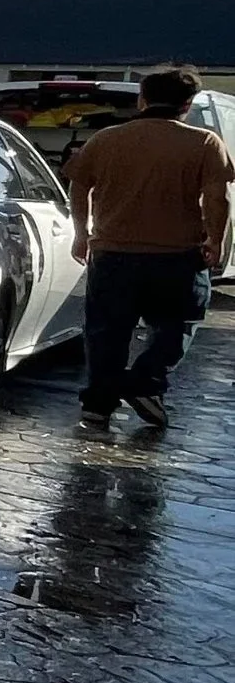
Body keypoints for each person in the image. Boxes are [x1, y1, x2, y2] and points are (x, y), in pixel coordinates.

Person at [67, 63, 231, 428]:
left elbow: (79, 186)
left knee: (106, 331)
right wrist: (215, 240)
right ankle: (146, 381)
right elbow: (217, 198)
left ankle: (98, 403)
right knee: (179, 324)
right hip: (177, 255)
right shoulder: (203, 142)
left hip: (113, 253)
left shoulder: (106, 140)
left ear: (142, 99)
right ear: (187, 104)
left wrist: (81, 233)